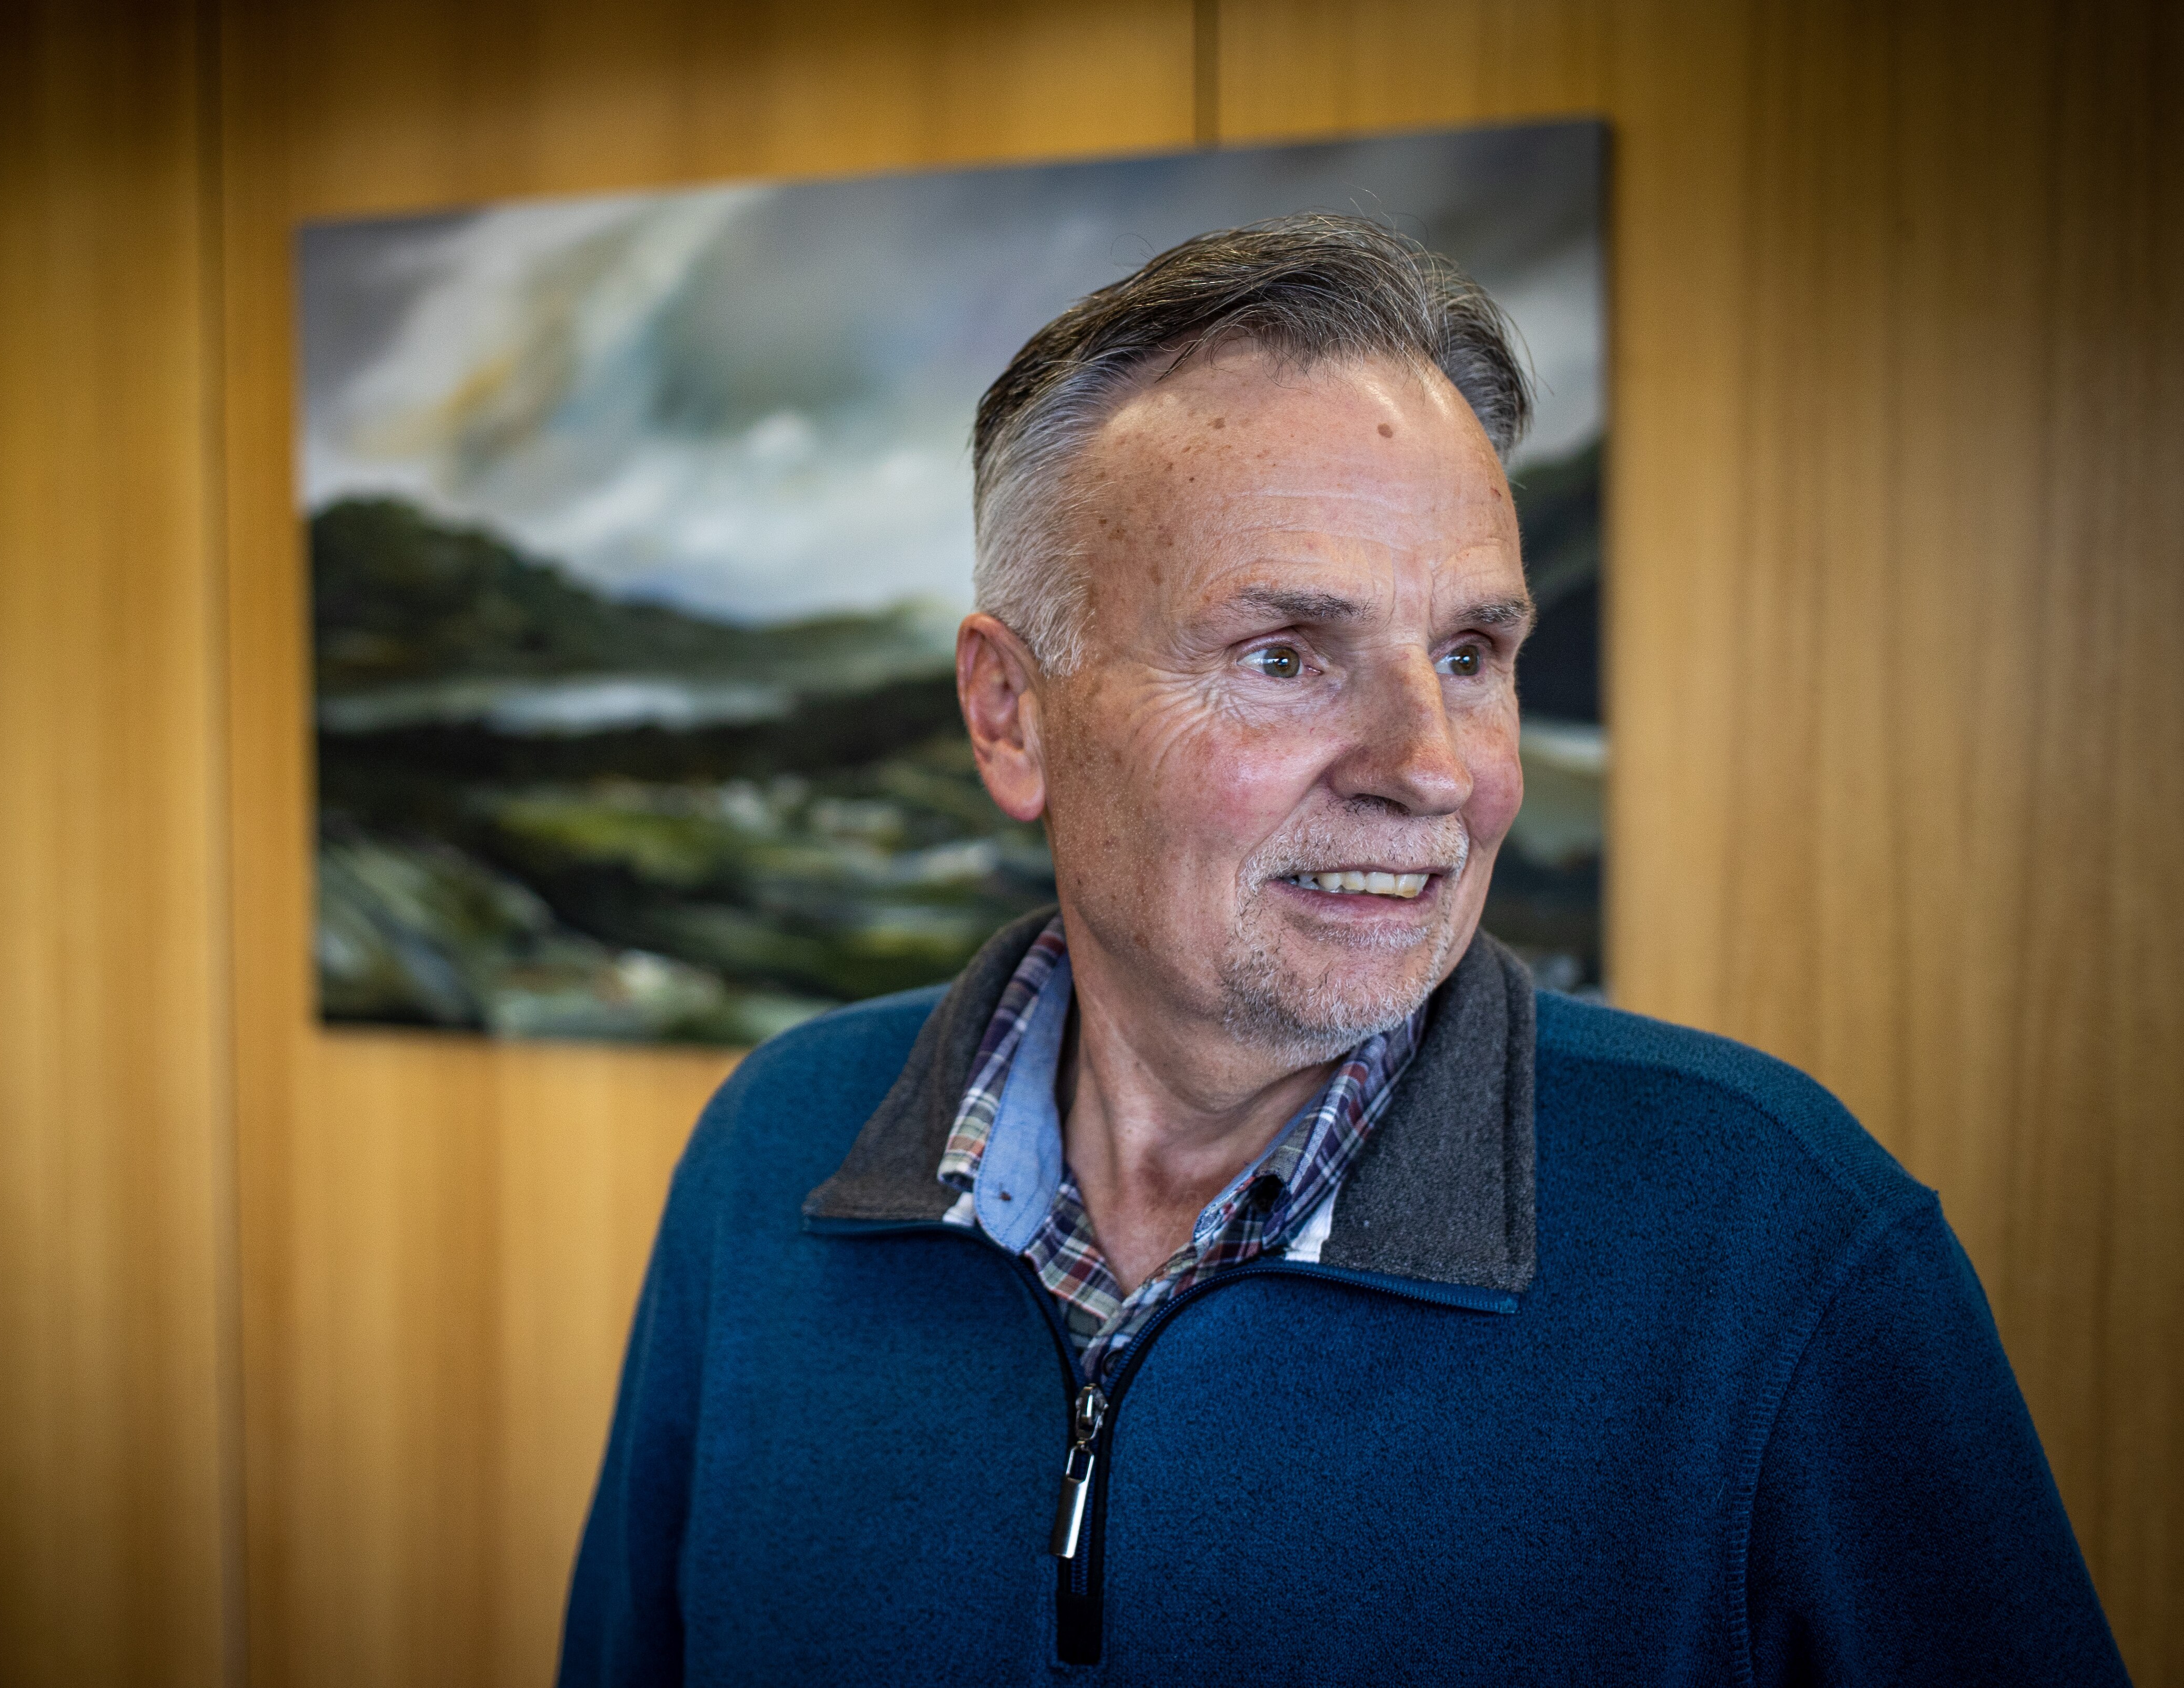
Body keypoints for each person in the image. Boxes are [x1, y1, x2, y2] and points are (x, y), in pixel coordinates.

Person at [556, 213, 2128, 1684]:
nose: (1435, 768)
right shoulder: (773, 1154)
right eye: (1286, 654)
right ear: (1011, 715)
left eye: (1469, 652)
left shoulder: (1780, 1239)